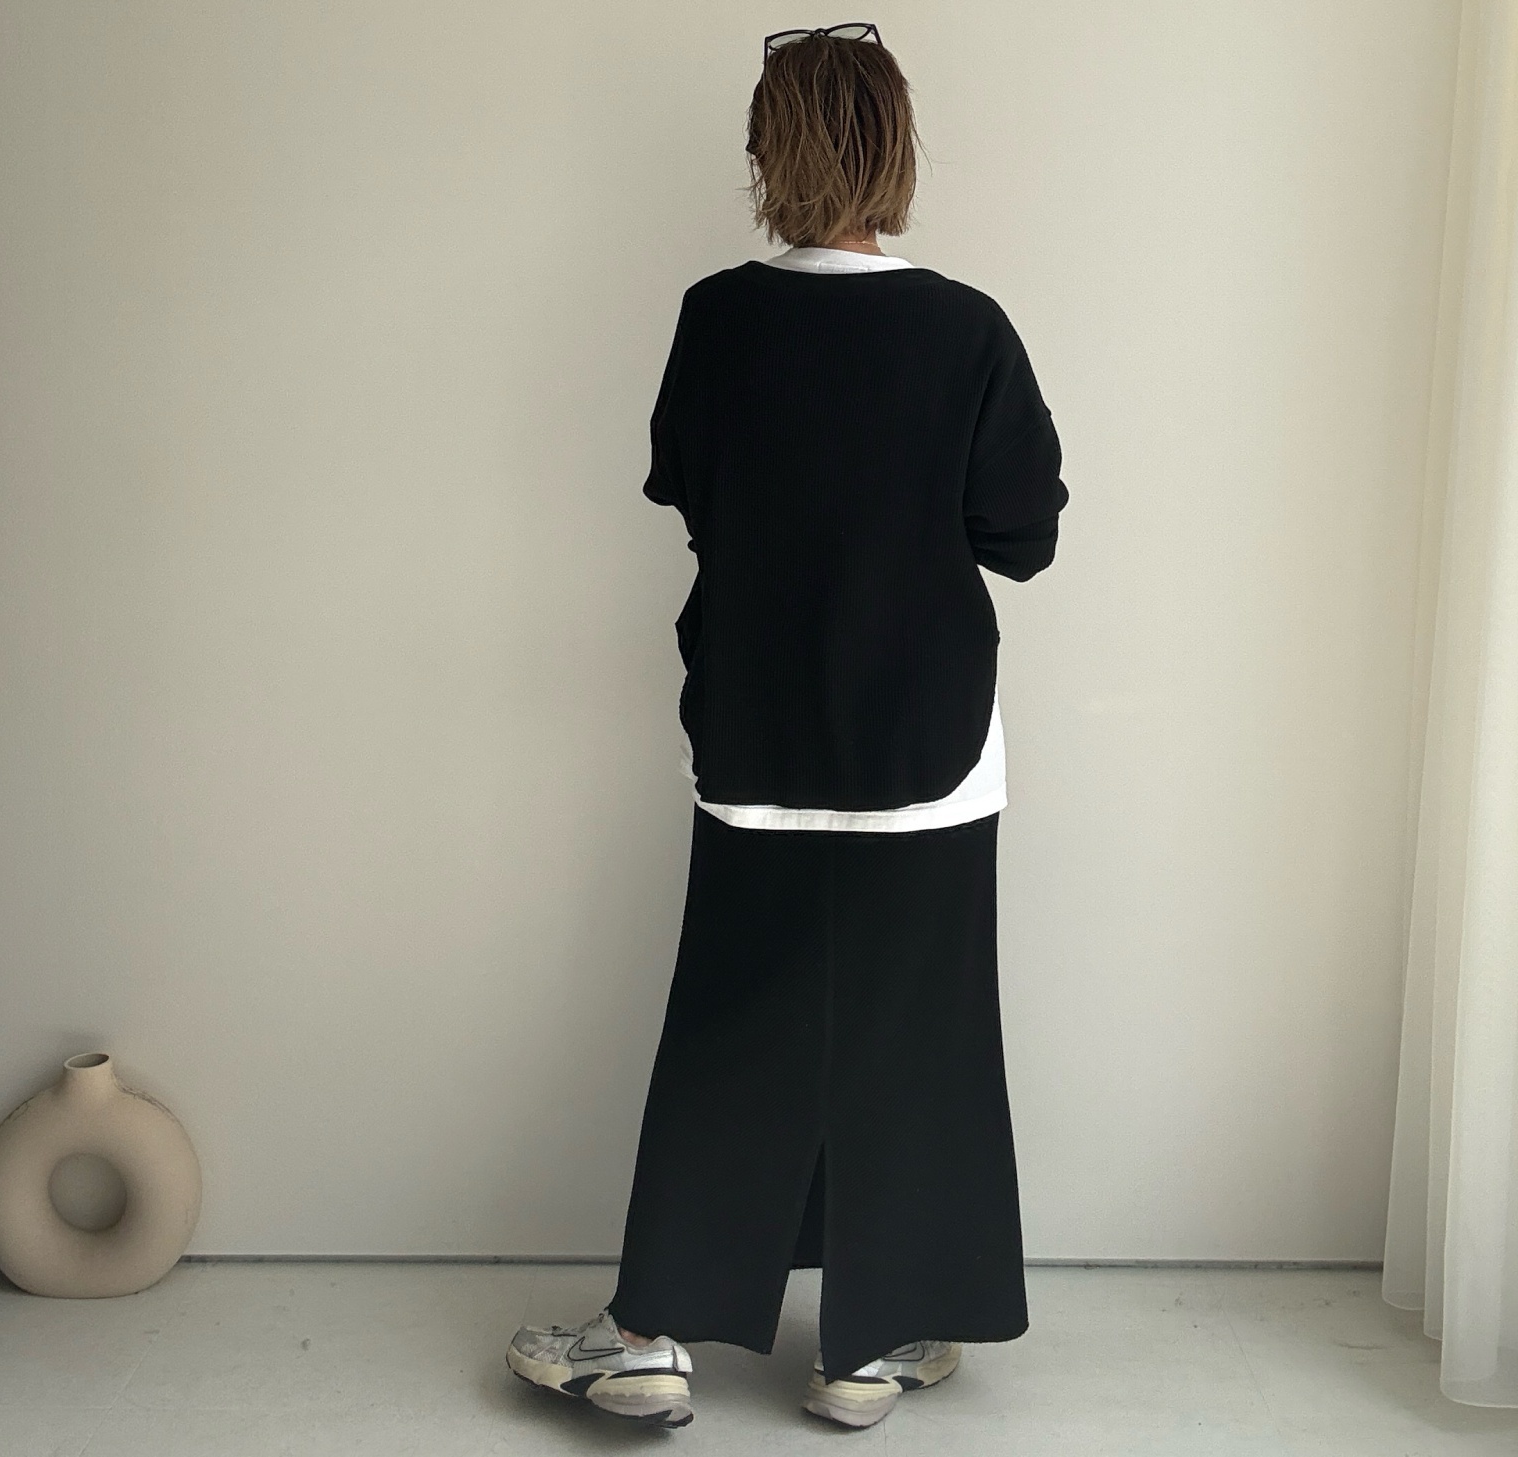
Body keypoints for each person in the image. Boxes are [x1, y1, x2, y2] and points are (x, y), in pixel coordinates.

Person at [505, 21, 1068, 1431]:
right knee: (916, 1036)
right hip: (927, 746)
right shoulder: (966, 330)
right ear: (898, 149)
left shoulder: (718, 318)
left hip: (758, 730)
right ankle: (863, 1351)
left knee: (730, 1029)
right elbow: (1023, 534)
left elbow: (690, 491)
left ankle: (650, 1336)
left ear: (769, 151)